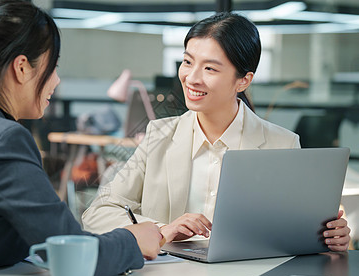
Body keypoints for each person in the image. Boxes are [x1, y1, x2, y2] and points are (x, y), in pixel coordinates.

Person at [0, 0, 163, 276]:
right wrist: (134, 238)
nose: (55, 81)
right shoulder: (3, 140)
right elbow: (74, 256)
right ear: (21, 68)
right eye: (52, 66)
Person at [82, 12, 351, 252]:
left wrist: (330, 238)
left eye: (210, 68)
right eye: (188, 62)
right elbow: (98, 213)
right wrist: (161, 229)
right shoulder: (159, 135)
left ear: (243, 80)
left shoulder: (282, 143)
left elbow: (299, 233)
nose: (192, 78)